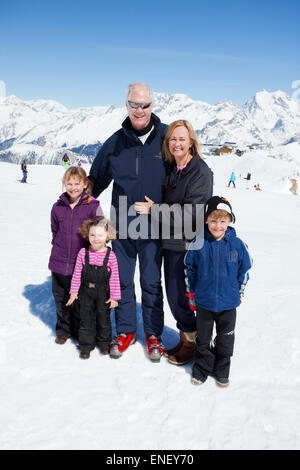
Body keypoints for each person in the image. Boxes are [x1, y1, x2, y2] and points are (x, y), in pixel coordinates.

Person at [89, 82, 167, 362]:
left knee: (150, 281)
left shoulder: (167, 137)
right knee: (121, 281)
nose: (139, 110)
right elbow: (95, 180)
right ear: (127, 105)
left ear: (152, 106)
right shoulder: (115, 142)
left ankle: (154, 334)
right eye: (134, 104)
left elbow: (187, 171)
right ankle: (125, 331)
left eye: (144, 104)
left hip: (154, 224)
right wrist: (75, 200)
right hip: (122, 223)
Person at [135, 120, 213, 365]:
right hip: (170, 243)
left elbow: (192, 215)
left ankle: (193, 344)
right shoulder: (172, 168)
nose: (177, 143)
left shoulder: (200, 171)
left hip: (188, 246)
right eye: (173, 139)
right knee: (174, 295)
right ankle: (185, 338)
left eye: (182, 138)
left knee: (183, 296)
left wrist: (155, 210)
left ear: (191, 141)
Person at [184, 196, 252, 387]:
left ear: (230, 221)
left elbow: (244, 270)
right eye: (213, 220)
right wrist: (192, 295)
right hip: (204, 302)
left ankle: (222, 370)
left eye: (223, 221)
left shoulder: (237, 245)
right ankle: (202, 369)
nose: (217, 226)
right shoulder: (198, 243)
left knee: (225, 340)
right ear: (206, 220)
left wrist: (239, 292)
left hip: (228, 303)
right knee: (203, 340)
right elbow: (190, 270)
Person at [49, 166, 102, 345]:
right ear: (65, 184)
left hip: (81, 263)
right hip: (58, 261)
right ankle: (64, 329)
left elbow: (100, 232)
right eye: (69, 184)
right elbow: (54, 231)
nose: (73, 187)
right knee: (61, 297)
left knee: (81, 300)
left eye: (77, 183)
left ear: (85, 184)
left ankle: (82, 331)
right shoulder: (57, 208)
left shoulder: (93, 206)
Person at [66, 217, 121, 359]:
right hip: (85, 293)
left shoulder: (111, 256)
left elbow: (114, 277)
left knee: (104, 319)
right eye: (92, 235)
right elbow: (77, 274)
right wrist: (73, 292)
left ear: (107, 236)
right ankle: (86, 346)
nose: (96, 238)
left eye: (100, 235)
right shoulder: (83, 253)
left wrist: (114, 297)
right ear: (87, 235)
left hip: (103, 293)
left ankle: (104, 343)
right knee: (86, 320)